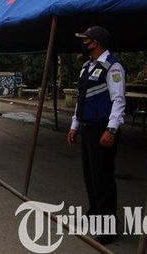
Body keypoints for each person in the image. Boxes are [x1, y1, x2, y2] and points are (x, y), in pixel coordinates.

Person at [67, 26, 126, 245]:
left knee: (103, 179)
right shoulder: (88, 66)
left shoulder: (113, 66)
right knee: (91, 176)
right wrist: (74, 125)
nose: (84, 43)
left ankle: (108, 228)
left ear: (96, 42)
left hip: (103, 128)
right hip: (87, 127)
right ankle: (94, 215)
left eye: (87, 40)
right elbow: (82, 98)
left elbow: (118, 100)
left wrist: (111, 130)